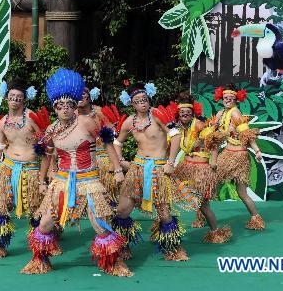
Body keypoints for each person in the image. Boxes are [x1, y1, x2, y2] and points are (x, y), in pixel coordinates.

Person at [22, 68, 132, 277]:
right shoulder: (52, 130)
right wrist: (42, 180)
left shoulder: (86, 122)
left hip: (88, 180)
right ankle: (39, 261)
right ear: (55, 108)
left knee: (100, 225)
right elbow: (47, 155)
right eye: (60, 106)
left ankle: (113, 262)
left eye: (69, 105)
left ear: (75, 107)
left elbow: (108, 143)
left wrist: (117, 169)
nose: (65, 109)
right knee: (45, 224)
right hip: (62, 182)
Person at [112, 83, 193, 261]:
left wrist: (170, 162)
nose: (142, 103)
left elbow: (176, 135)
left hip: (158, 169)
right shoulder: (129, 122)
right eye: (138, 101)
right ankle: (122, 247)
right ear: (132, 104)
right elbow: (117, 143)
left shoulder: (157, 115)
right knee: (123, 210)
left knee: (164, 212)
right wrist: (120, 161)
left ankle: (172, 249)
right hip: (137, 169)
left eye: (144, 100)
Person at [0, 80, 45, 258]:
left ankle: (40, 250)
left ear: (24, 100)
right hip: (7, 169)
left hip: (30, 170)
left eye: (19, 98)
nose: (15, 100)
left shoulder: (32, 118)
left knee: (35, 210)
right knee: (0, 208)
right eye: (12, 97)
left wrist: (47, 173)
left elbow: (47, 145)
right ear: (6, 98)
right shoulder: (2, 123)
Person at [166, 93, 232, 243]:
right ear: (178, 113)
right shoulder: (177, 128)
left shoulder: (200, 126)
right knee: (166, 195)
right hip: (185, 167)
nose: (185, 115)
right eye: (182, 112)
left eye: (188, 112)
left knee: (203, 204)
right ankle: (164, 228)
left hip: (201, 168)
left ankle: (215, 232)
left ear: (192, 113)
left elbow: (213, 143)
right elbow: (170, 146)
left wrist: (214, 161)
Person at [206, 84, 265, 230]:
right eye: (225, 98)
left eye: (231, 98)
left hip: (236, 156)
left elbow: (246, 134)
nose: (227, 100)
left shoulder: (235, 113)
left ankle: (203, 213)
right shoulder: (221, 114)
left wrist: (257, 150)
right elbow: (211, 131)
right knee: (240, 192)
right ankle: (256, 219)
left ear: (236, 100)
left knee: (212, 181)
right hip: (228, 153)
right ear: (221, 98)